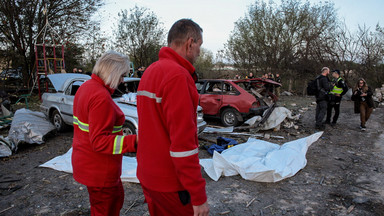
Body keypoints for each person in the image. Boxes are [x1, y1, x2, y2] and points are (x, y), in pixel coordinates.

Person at [137, 19, 209, 216]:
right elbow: (183, 145)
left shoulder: (150, 72)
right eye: (199, 46)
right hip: (171, 184)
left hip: (148, 178)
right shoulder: (178, 76)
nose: (199, 52)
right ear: (190, 43)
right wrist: (198, 195)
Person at [72, 51, 138, 216]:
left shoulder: (86, 87)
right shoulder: (100, 96)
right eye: (122, 75)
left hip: (89, 165)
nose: (123, 81)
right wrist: (135, 141)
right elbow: (100, 141)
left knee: (111, 202)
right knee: (107, 208)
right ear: (113, 72)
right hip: (100, 170)